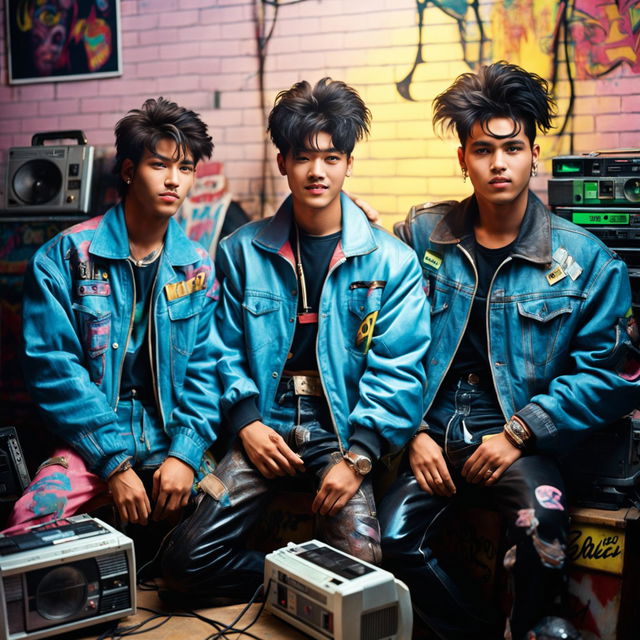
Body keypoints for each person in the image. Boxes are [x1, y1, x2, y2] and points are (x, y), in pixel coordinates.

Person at [378, 62, 640, 639]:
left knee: (542, 528)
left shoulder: (586, 261)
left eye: (512, 148)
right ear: (463, 159)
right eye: (483, 150)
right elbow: (382, 340)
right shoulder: (422, 238)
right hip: (432, 432)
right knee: (387, 537)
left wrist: (521, 431)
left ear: (534, 154)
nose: (498, 163)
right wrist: (413, 431)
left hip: (521, 437)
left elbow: (614, 376)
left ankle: (529, 628)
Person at [160, 77, 430, 601]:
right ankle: (292, 581)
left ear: (349, 163)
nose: (317, 171)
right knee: (183, 562)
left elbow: (400, 368)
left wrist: (360, 457)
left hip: (342, 429)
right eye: (303, 156)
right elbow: (219, 349)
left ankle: (306, 586)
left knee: (364, 568)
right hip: (265, 422)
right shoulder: (241, 251)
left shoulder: (391, 261)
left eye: (331, 157)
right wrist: (246, 424)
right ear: (283, 161)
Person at [5, 97, 219, 537]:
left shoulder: (197, 267)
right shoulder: (64, 257)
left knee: (223, 521)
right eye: (159, 165)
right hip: (94, 434)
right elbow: (54, 370)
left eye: (186, 168)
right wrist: (114, 462)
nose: (174, 180)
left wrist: (185, 453)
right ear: (127, 171)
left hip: (171, 432)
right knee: (29, 524)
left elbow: (207, 371)